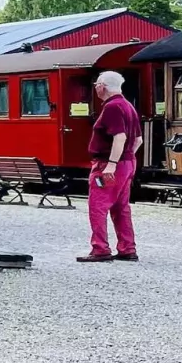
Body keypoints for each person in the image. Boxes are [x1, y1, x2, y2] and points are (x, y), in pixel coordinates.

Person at [78, 70, 141, 263]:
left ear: (103, 86)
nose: (95, 87)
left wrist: (111, 164)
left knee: (97, 205)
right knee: (121, 207)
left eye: (96, 84)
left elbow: (119, 137)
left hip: (108, 163)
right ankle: (127, 248)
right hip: (128, 162)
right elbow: (138, 140)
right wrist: (126, 159)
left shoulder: (112, 107)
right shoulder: (128, 106)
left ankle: (100, 249)